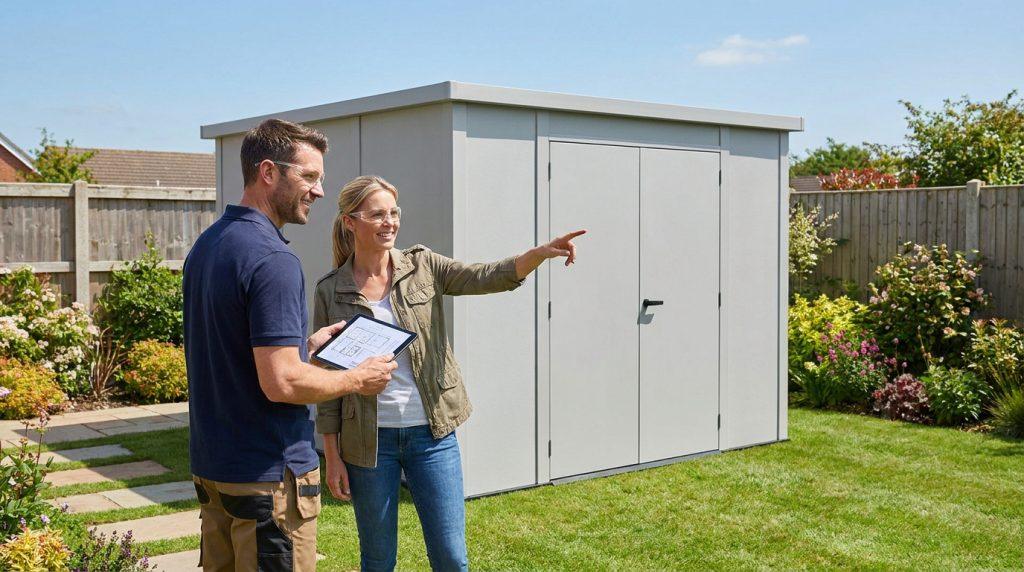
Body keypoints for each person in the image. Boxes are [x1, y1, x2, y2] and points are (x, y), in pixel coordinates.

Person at [314, 175, 585, 571]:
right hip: (368, 443)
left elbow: (484, 275)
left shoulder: (422, 265)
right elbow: (328, 382)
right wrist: (333, 457)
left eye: (394, 213)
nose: (389, 222)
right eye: (377, 215)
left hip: (432, 436)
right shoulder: (330, 291)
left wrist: (538, 254)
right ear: (350, 222)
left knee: (451, 557)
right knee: (377, 559)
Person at [184, 119, 398, 571]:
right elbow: (281, 383)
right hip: (268, 479)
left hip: (215, 470)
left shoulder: (209, 244)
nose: (319, 190)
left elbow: (236, 350)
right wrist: (358, 378)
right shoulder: (274, 259)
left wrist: (304, 347)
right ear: (268, 172)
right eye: (309, 176)